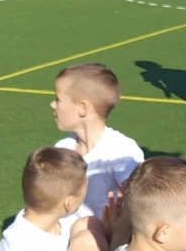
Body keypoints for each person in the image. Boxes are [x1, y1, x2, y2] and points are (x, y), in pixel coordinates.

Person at [51, 63, 143, 228]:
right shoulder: (62, 148)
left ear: (82, 108)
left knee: (85, 235)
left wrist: (120, 229)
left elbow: (142, 200)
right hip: (66, 231)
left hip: (104, 236)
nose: (52, 105)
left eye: (58, 99)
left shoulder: (120, 150)